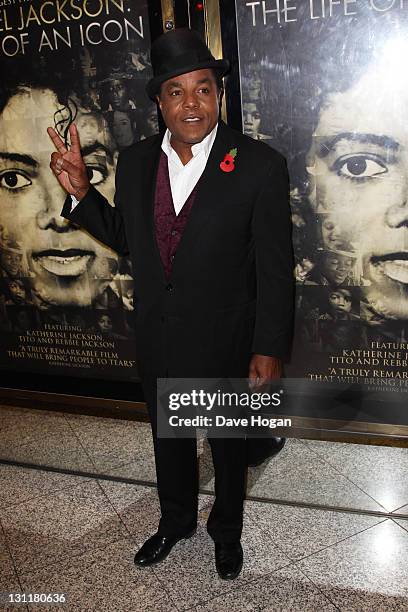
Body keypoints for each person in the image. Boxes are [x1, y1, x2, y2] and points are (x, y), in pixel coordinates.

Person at [48, 28, 293, 580]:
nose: (191, 104)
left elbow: (276, 270)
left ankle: (226, 531)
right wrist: (83, 195)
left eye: (203, 89)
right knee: (170, 438)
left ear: (218, 95)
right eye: (176, 92)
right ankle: (176, 519)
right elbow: (130, 237)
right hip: (161, 335)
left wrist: (269, 349)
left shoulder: (257, 164)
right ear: (158, 101)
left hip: (229, 338)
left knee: (230, 446)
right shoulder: (135, 162)